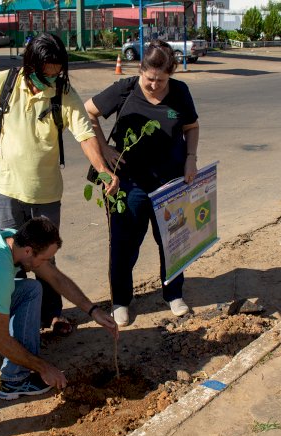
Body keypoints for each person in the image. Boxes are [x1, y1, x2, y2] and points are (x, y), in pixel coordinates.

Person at [0, 33, 118, 342]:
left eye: (55, 72)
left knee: (45, 258)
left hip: (46, 192)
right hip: (7, 189)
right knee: (10, 260)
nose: (49, 78)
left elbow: (84, 133)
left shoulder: (63, 91)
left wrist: (102, 170)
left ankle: (52, 314)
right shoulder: (3, 83)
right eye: (43, 71)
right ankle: (18, 318)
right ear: (28, 63)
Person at [84, 40, 200, 326]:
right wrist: (104, 148)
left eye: (162, 80)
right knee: (124, 245)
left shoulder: (180, 92)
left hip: (169, 184)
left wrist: (191, 158)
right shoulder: (125, 89)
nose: (155, 86)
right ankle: (121, 301)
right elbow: (87, 112)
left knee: (172, 241)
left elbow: (191, 126)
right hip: (129, 184)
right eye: (150, 79)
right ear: (141, 70)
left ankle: (173, 294)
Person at [0, 217, 118, 397]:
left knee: (17, 290)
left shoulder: (11, 238)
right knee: (30, 290)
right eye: (44, 259)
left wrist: (92, 310)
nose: (45, 264)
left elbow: (56, 278)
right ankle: (14, 381)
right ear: (28, 251)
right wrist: (44, 368)